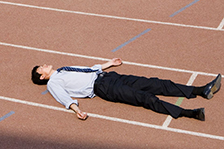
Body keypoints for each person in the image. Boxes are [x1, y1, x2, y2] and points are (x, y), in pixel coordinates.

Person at [31, 58, 221, 121]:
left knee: (156, 83)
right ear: (41, 76)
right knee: (145, 98)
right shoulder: (52, 84)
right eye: (41, 68)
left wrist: (108, 64)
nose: (45, 65)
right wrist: (77, 110)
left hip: (109, 77)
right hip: (103, 88)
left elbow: (87, 69)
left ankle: (200, 90)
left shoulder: (63, 69)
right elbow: (64, 98)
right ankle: (189, 113)